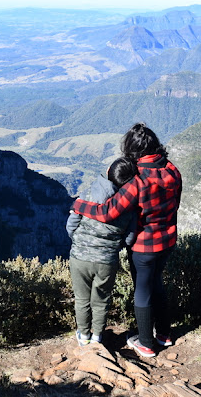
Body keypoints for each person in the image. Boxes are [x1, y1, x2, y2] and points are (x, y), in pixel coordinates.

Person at [70, 122, 182, 357]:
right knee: (157, 284)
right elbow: (175, 205)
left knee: (142, 290)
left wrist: (78, 205)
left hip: (144, 245)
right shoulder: (172, 170)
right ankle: (164, 334)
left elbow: (107, 212)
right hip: (168, 239)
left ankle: (146, 344)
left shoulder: (137, 180)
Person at [66, 157, 138, 346]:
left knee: (81, 299)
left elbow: (71, 224)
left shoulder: (87, 194)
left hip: (79, 257)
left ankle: (83, 336)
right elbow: (129, 238)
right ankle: (97, 336)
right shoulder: (128, 205)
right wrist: (113, 246)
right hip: (106, 260)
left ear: (107, 170)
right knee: (101, 300)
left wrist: (80, 242)